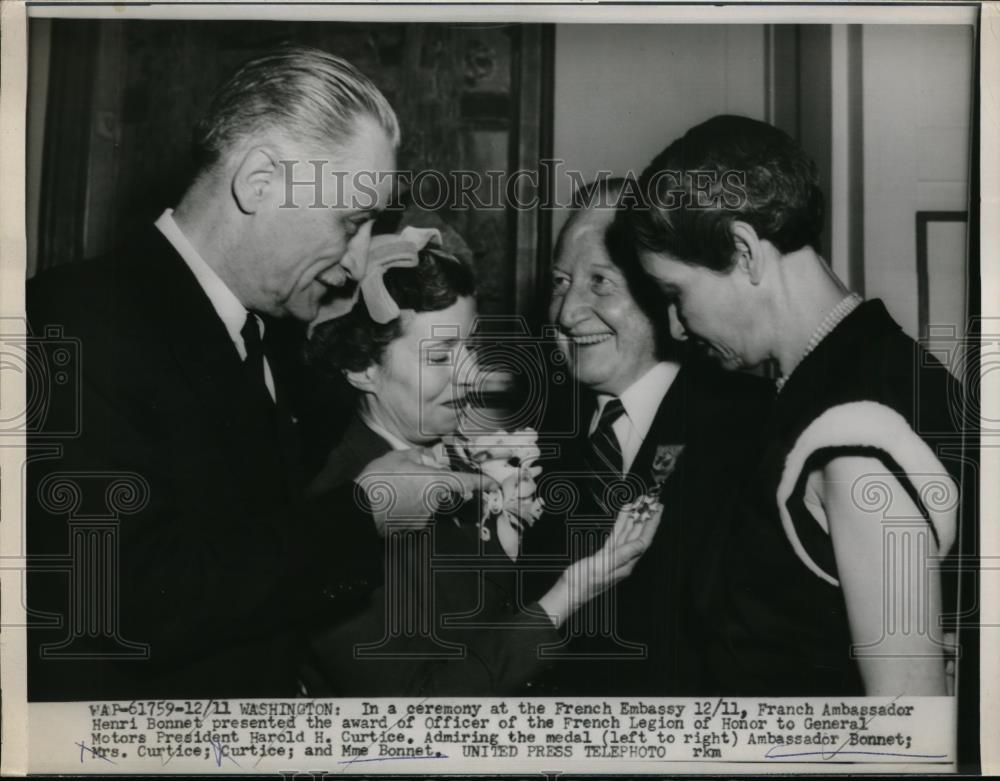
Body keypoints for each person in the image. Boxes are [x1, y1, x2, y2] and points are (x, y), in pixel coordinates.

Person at [25, 46, 485, 700]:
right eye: (350, 221)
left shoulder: (260, 333)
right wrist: (364, 514)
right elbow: (129, 603)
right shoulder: (70, 320)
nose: (357, 261)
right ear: (259, 181)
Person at [623, 114, 971, 695]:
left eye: (675, 295)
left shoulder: (854, 434)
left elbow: (907, 733)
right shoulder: (870, 374)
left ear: (743, 250)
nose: (676, 328)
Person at [300, 242, 661, 695]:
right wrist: (567, 596)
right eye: (439, 355)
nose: (470, 374)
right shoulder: (336, 502)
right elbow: (412, 712)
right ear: (361, 366)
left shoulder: (462, 456)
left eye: (470, 346)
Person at [521, 179, 771, 695]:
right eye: (560, 281)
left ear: (661, 292)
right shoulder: (531, 445)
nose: (566, 313)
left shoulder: (750, 427)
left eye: (600, 283)